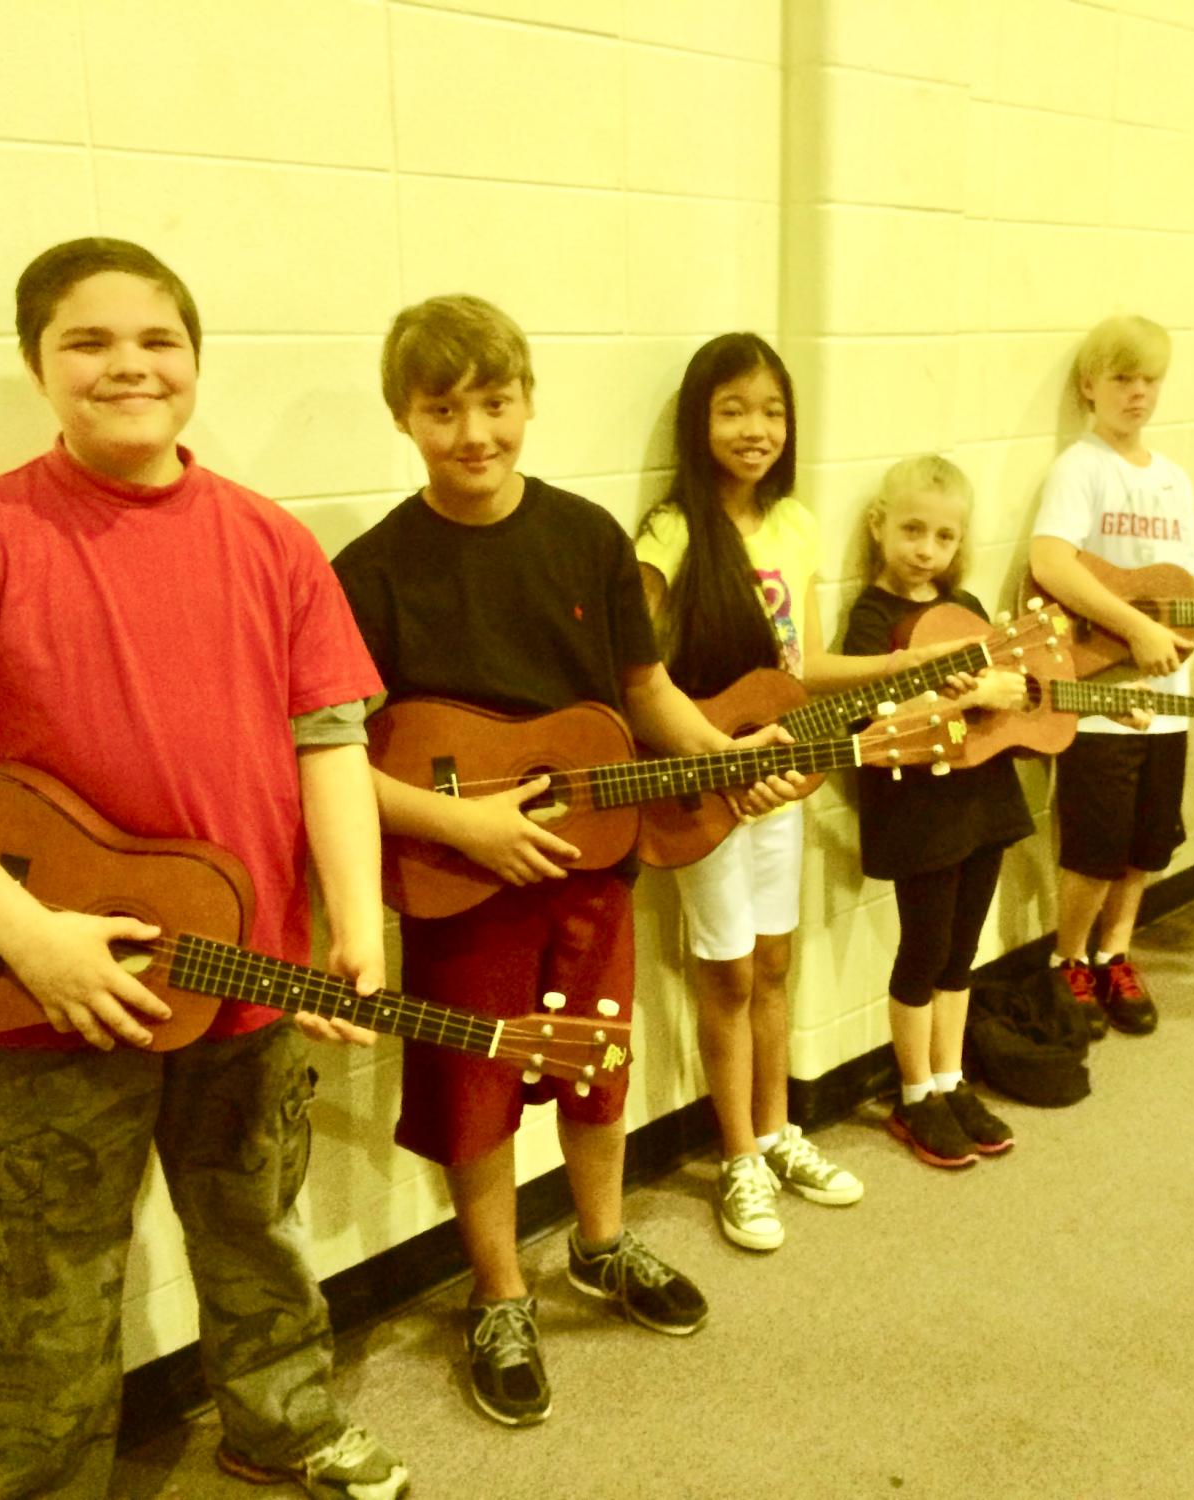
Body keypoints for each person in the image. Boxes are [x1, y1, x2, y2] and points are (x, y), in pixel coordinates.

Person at [0, 238, 409, 1499]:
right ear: (38, 364)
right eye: (87, 340)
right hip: (50, 1006)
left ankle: (282, 1427)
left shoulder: (270, 543)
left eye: (157, 339)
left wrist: (352, 923)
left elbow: (333, 745)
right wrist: (30, 937)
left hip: (244, 982)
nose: (127, 365)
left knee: (258, 1237)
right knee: (44, 1287)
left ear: (196, 362)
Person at [332, 296, 784, 1427]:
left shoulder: (588, 539)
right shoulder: (370, 570)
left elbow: (644, 696)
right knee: (475, 1095)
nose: (474, 432)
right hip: (460, 887)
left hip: (595, 869)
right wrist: (457, 826)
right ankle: (498, 1293)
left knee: (597, 1068)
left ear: (527, 399)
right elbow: (332, 764)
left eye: (495, 402)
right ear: (403, 417)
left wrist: (728, 758)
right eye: (443, 410)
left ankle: (599, 1243)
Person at [635, 333, 936, 1249]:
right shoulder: (670, 533)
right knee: (724, 973)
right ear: (700, 421)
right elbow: (640, 678)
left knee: (774, 963)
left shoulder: (796, 524)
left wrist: (916, 663)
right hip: (708, 791)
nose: (755, 428)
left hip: (785, 779)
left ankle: (776, 1131)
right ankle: (736, 1157)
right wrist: (726, 764)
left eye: (771, 410)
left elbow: (801, 667)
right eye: (733, 410)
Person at [842, 456, 1034, 1167]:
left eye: (944, 537)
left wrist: (1010, 691)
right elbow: (874, 711)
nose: (927, 548)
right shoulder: (872, 616)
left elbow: (1010, 688)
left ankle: (951, 1078)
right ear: (879, 526)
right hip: (917, 808)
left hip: (981, 800)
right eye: (913, 529)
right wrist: (955, 699)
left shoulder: (971, 610)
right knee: (922, 952)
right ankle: (914, 1091)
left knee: (962, 951)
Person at [1026, 314, 1194, 1039]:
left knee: (1145, 846)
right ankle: (1068, 960)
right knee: (1095, 849)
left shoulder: (1174, 481)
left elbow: (1183, 586)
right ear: (1089, 386)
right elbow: (1051, 561)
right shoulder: (1081, 466)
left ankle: (1114, 952)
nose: (1138, 392)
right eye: (1123, 378)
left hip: (1167, 699)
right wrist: (1134, 627)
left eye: (1149, 379)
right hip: (1099, 700)